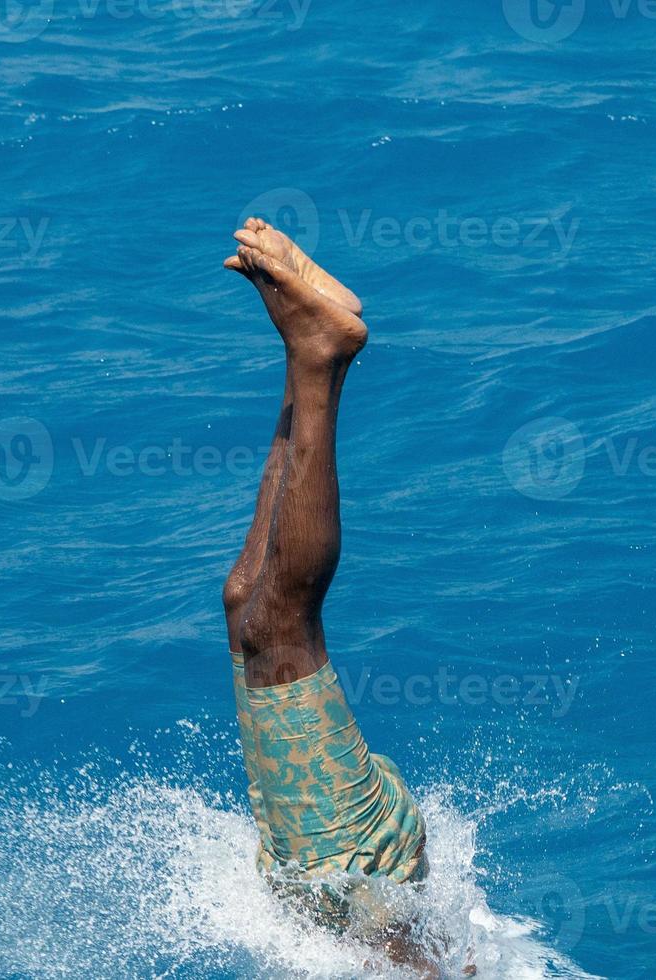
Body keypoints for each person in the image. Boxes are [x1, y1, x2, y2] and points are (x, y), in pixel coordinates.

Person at [222, 217, 441, 973]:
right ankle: (317, 357)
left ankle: (311, 354)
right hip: (348, 853)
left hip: (334, 858)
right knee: (283, 627)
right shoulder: (393, 948)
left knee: (247, 602)